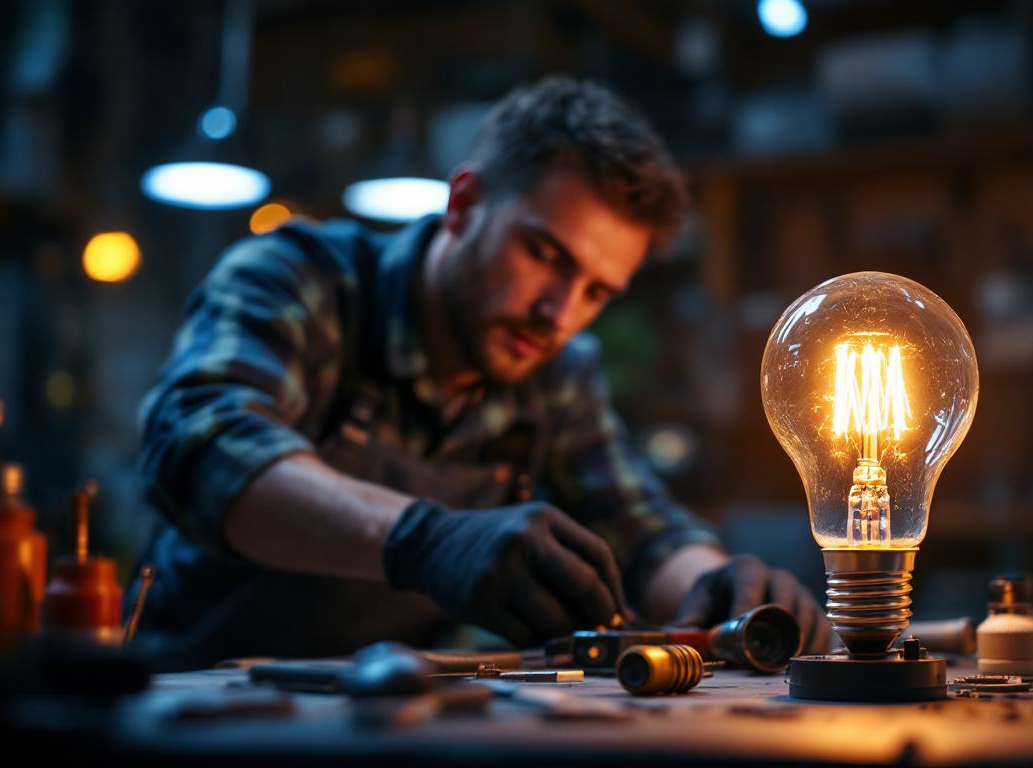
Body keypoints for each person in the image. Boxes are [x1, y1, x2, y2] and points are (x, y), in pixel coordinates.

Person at [133, 77, 830, 669]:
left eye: (596, 291)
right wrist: (425, 540)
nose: (558, 314)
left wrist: (722, 587)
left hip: (378, 714)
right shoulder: (305, 281)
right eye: (544, 254)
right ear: (463, 204)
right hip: (192, 693)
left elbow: (641, 531)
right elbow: (201, 447)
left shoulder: (558, 375)